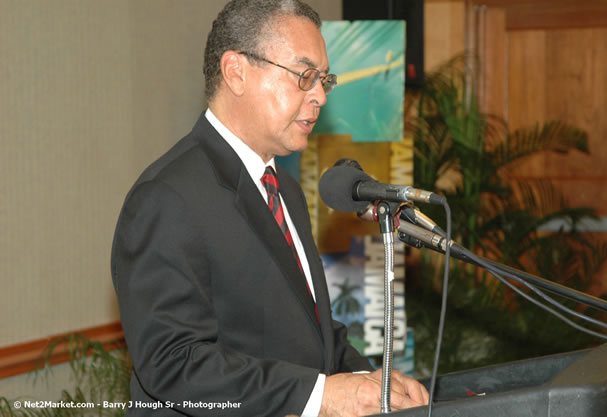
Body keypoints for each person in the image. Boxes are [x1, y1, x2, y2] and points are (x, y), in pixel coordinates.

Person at [111, 0, 429, 416]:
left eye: (323, 80)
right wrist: (320, 398)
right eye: (304, 76)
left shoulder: (284, 189)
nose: (319, 96)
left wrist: (371, 384)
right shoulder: (167, 197)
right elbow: (173, 364)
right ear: (236, 72)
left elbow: (314, 335)